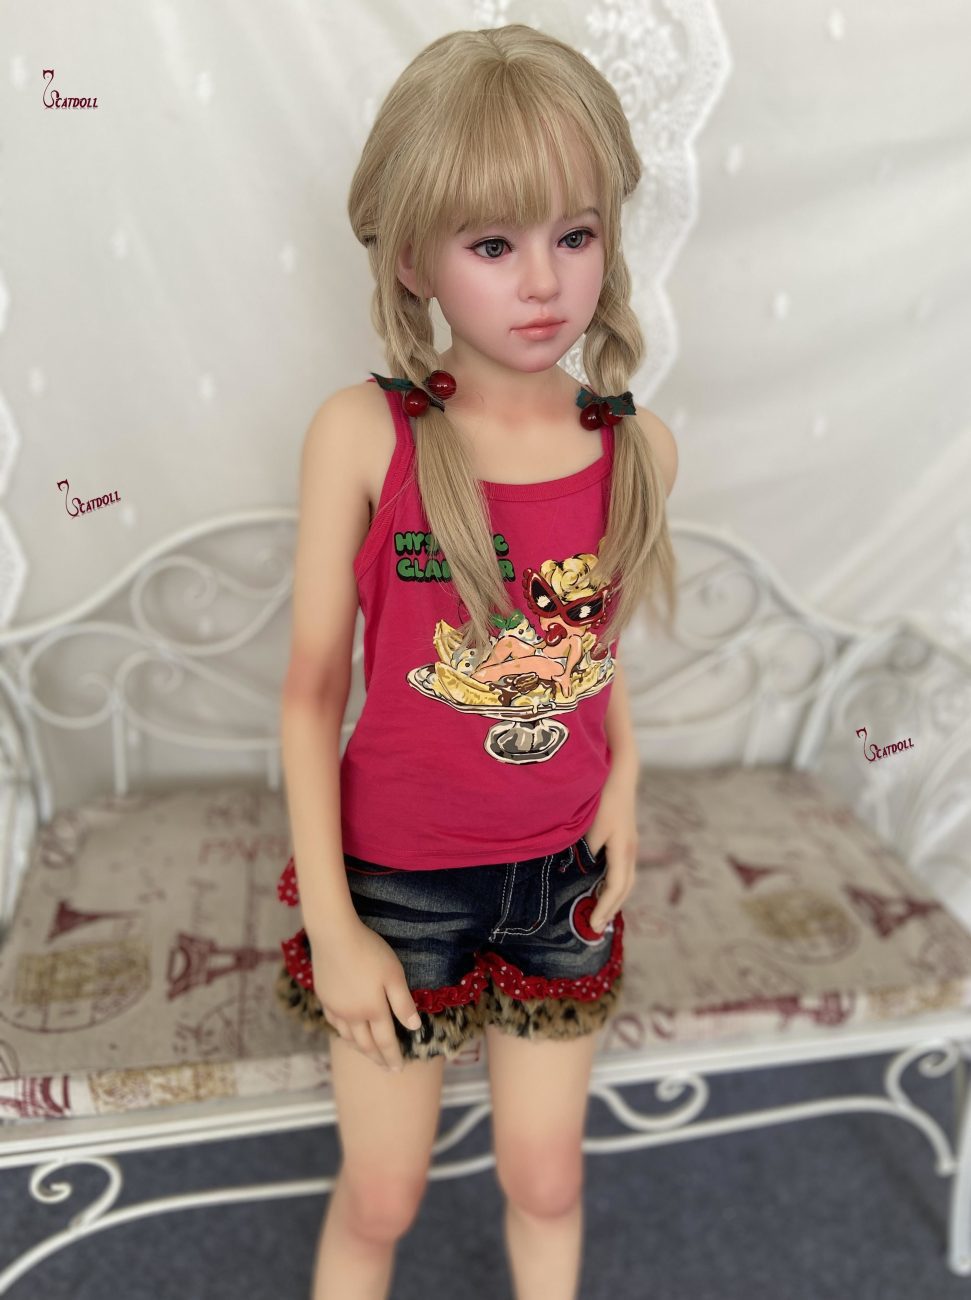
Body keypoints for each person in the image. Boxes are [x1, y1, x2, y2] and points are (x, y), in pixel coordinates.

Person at [274, 23, 678, 1300]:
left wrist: (622, 782)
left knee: (545, 1177)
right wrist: (333, 921)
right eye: (492, 245)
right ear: (414, 259)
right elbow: (310, 695)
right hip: (398, 882)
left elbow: (593, 654)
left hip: (562, 873)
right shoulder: (364, 435)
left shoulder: (636, 445)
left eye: (574, 233)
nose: (543, 282)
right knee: (381, 1193)